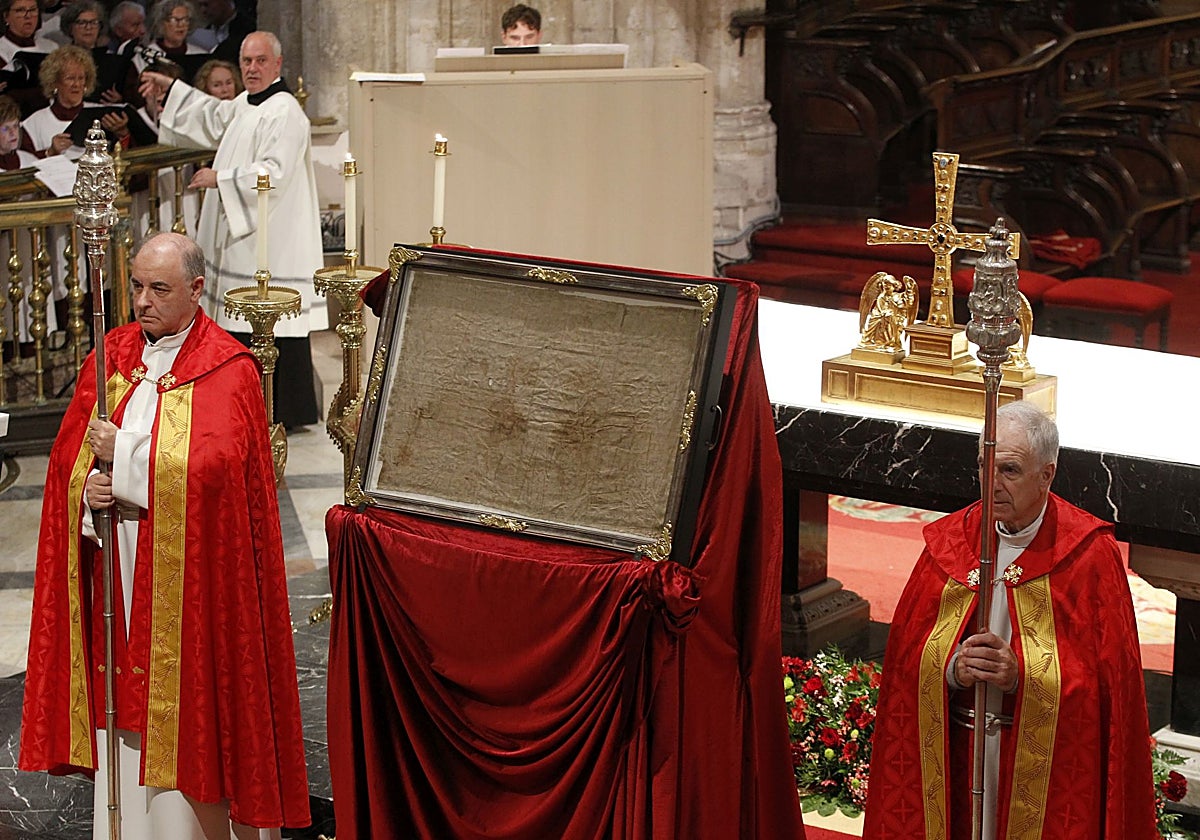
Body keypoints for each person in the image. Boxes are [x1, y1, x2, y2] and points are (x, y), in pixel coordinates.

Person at [19, 231, 311, 840]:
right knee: (124, 704)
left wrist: (123, 456)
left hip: (194, 591)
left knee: (191, 713)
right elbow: (68, 458)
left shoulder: (228, 368)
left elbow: (215, 474)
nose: (143, 302)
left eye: (159, 288)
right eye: (136, 287)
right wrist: (85, 494)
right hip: (120, 573)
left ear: (197, 290)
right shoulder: (113, 356)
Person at [863, 401, 1158, 839]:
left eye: (1010, 470)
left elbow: (1111, 689)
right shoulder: (949, 543)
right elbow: (906, 660)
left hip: (1042, 764)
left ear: (1048, 474)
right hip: (958, 753)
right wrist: (951, 667)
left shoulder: (1088, 556)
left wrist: (1023, 674)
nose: (991, 484)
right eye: (984, 465)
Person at [139, 30, 324, 429]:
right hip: (243, 236)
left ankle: (281, 409)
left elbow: (274, 173)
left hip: (269, 238)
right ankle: (241, 401)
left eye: (260, 61)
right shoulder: (245, 103)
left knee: (269, 326)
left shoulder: (285, 111)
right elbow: (211, 116)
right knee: (237, 323)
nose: (252, 69)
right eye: (246, 62)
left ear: (277, 64)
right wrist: (171, 88)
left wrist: (221, 177)